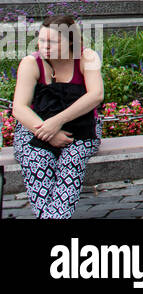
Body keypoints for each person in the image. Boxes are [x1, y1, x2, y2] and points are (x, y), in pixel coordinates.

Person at [10, 15, 105, 218]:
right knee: (37, 158)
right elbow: (19, 108)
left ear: (70, 41)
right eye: (42, 40)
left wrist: (57, 121)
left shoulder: (87, 58)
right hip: (35, 126)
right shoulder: (31, 63)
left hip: (82, 126)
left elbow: (96, 95)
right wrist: (48, 132)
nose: (44, 46)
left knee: (72, 160)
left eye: (52, 41)